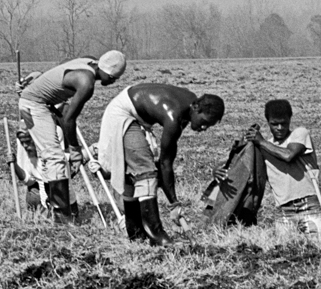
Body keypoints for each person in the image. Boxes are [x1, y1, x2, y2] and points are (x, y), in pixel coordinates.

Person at [95, 83, 225, 244]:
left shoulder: (190, 106)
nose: (204, 128)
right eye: (204, 122)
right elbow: (164, 164)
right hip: (122, 115)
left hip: (135, 116)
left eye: (209, 126)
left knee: (136, 173)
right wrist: (174, 204)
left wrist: (173, 202)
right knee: (146, 172)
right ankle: (156, 236)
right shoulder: (174, 116)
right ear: (196, 108)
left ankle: (136, 234)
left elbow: (166, 162)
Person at [18, 51, 127, 221]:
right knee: (54, 156)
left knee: (56, 157)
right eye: (113, 77)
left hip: (42, 102)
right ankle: (62, 218)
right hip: (33, 105)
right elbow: (69, 120)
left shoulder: (88, 61)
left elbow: (59, 71)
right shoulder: (87, 83)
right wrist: (75, 150)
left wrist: (38, 78)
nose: (114, 81)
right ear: (106, 70)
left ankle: (61, 213)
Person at [231, 100, 321, 239]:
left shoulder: (299, 134)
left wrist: (261, 142)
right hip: (283, 209)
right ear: (268, 122)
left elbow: (289, 155)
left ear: (290, 119)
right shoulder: (265, 147)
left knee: (319, 249)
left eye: (283, 123)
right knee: (286, 253)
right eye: (274, 124)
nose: (279, 127)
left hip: (308, 203)